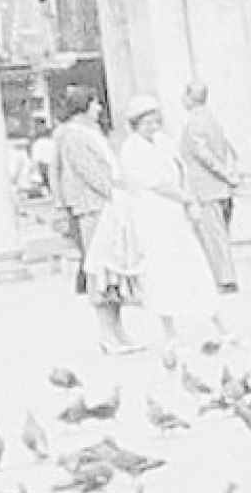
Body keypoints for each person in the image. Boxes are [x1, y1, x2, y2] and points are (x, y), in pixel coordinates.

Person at [92, 95, 227, 355]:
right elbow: (155, 183)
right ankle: (170, 333)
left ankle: (220, 325)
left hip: (174, 212)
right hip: (152, 214)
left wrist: (187, 199)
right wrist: (187, 199)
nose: (153, 127)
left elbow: (180, 171)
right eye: (147, 123)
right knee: (161, 272)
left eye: (156, 122)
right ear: (135, 124)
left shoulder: (164, 142)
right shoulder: (132, 149)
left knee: (193, 265)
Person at [49, 86, 128, 347]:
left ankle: (118, 329)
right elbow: (89, 171)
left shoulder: (92, 133)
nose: (99, 108)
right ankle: (106, 332)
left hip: (108, 205)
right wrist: (115, 191)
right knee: (99, 267)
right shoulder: (73, 136)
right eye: (94, 104)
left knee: (113, 269)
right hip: (93, 206)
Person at [177, 80, 244, 297]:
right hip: (221, 189)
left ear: (189, 98)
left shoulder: (194, 123)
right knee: (219, 234)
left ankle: (224, 279)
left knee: (214, 236)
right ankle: (223, 277)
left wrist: (226, 174)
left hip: (207, 189)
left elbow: (203, 155)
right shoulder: (213, 119)